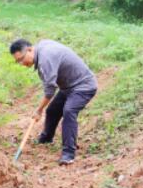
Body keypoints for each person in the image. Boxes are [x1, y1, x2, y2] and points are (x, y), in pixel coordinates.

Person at [10, 38, 97, 166]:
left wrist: (39, 110)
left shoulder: (45, 58)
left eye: (21, 59)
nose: (21, 63)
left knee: (69, 111)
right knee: (52, 110)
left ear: (29, 49)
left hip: (84, 86)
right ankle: (46, 138)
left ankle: (68, 154)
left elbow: (50, 90)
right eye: (18, 61)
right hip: (69, 87)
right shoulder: (42, 48)